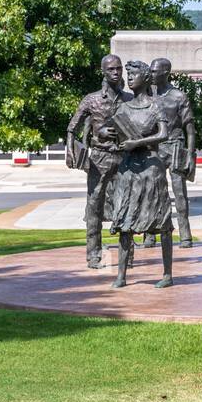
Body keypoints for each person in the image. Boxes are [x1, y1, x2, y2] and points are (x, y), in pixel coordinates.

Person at [106, 60, 174, 289]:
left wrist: (138, 142)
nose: (130, 77)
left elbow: (164, 134)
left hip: (150, 170)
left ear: (145, 78)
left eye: (134, 74)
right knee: (125, 221)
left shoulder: (155, 106)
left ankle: (167, 274)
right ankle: (121, 275)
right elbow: (117, 137)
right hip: (128, 169)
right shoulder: (123, 108)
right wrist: (111, 139)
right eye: (129, 74)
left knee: (162, 223)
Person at [65, 54, 129, 268]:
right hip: (99, 157)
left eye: (119, 68)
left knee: (126, 205)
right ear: (103, 71)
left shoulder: (130, 99)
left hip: (124, 157)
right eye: (111, 69)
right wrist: (74, 149)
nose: (116, 72)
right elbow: (72, 128)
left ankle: (126, 254)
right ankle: (93, 254)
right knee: (94, 206)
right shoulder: (91, 99)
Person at [142, 57, 196, 249]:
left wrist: (190, 154)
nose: (151, 74)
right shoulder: (147, 95)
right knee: (151, 192)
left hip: (175, 147)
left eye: (155, 71)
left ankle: (185, 236)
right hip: (154, 148)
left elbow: (189, 129)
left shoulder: (179, 97)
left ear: (166, 73)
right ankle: (149, 235)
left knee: (180, 194)